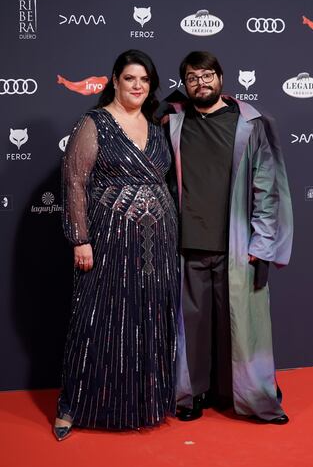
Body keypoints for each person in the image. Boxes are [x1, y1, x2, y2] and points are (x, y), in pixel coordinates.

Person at [54, 50, 179, 440]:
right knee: (96, 320)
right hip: (108, 239)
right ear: (114, 80)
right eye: (130, 78)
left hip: (157, 240)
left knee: (149, 320)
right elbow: (75, 182)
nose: (138, 86)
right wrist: (80, 239)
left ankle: (143, 403)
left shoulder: (156, 126)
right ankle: (72, 408)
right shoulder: (95, 123)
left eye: (144, 80)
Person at [164, 51, 293, 424]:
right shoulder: (172, 121)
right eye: (191, 77)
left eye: (207, 75)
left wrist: (263, 244)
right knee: (191, 330)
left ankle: (254, 398)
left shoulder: (250, 124)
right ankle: (188, 397)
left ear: (221, 77)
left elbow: (267, 188)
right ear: (184, 84)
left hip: (238, 247)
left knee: (246, 328)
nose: (200, 83)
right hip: (187, 246)